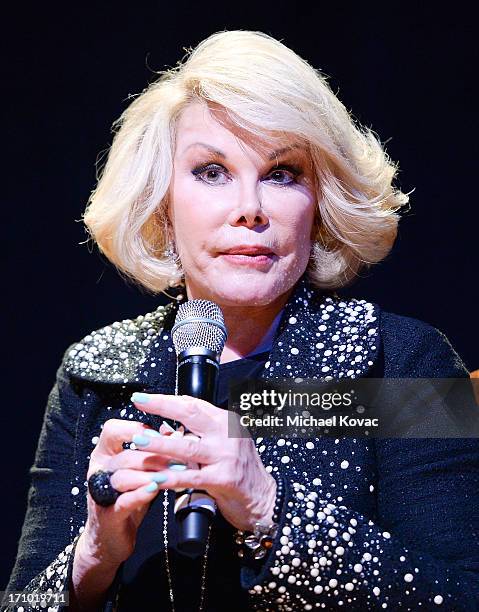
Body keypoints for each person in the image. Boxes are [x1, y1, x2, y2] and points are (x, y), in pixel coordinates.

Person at [3, 29, 479, 612]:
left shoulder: (402, 362)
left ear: (321, 203)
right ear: (162, 203)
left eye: (281, 173)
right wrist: (93, 557)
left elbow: (462, 597)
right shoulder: (98, 373)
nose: (249, 207)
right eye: (211, 171)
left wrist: (268, 506)